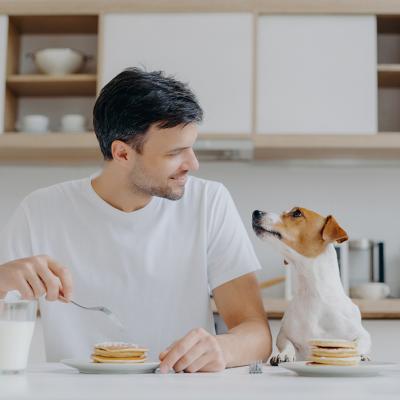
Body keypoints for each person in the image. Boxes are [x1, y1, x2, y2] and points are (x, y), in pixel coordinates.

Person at [0, 68, 271, 373]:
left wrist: (223, 348)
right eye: (175, 153)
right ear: (123, 153)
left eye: (191, 148)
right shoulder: (39, 212)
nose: (193, 164)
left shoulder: (209, 202)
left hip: (179, 390)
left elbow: (257, 334)